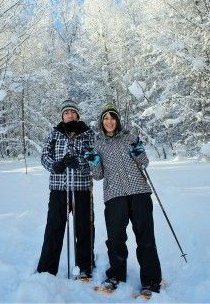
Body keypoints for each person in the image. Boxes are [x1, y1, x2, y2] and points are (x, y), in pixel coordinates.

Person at [85, 103, 162, 295]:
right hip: (114, 195)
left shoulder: (130, 137)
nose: (109, 122)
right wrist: (93, 161)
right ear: (102, 122)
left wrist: (139, 151)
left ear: (117, 120)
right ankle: (115, 276)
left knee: (145, 237)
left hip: (139, 192)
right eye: (106, 118)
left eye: (112, 118)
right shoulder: (98, 143)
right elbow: (98, 175)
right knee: (116, 238)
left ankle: (151, 281)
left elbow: (144, 163)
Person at [37, 99, 96, 279]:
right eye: (66, 113)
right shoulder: (54, 134)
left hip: (81, 188)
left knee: (84, 227)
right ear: (62, 116)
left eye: (72, 112)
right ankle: (47, 268)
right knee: (54, 226)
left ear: (77, 115)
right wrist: (55, 165)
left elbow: (94, 159)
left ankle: (85, 266)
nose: (69, 115)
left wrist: (79, 163)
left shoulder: (87, 134)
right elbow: (44, 155)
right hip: (59, 188)